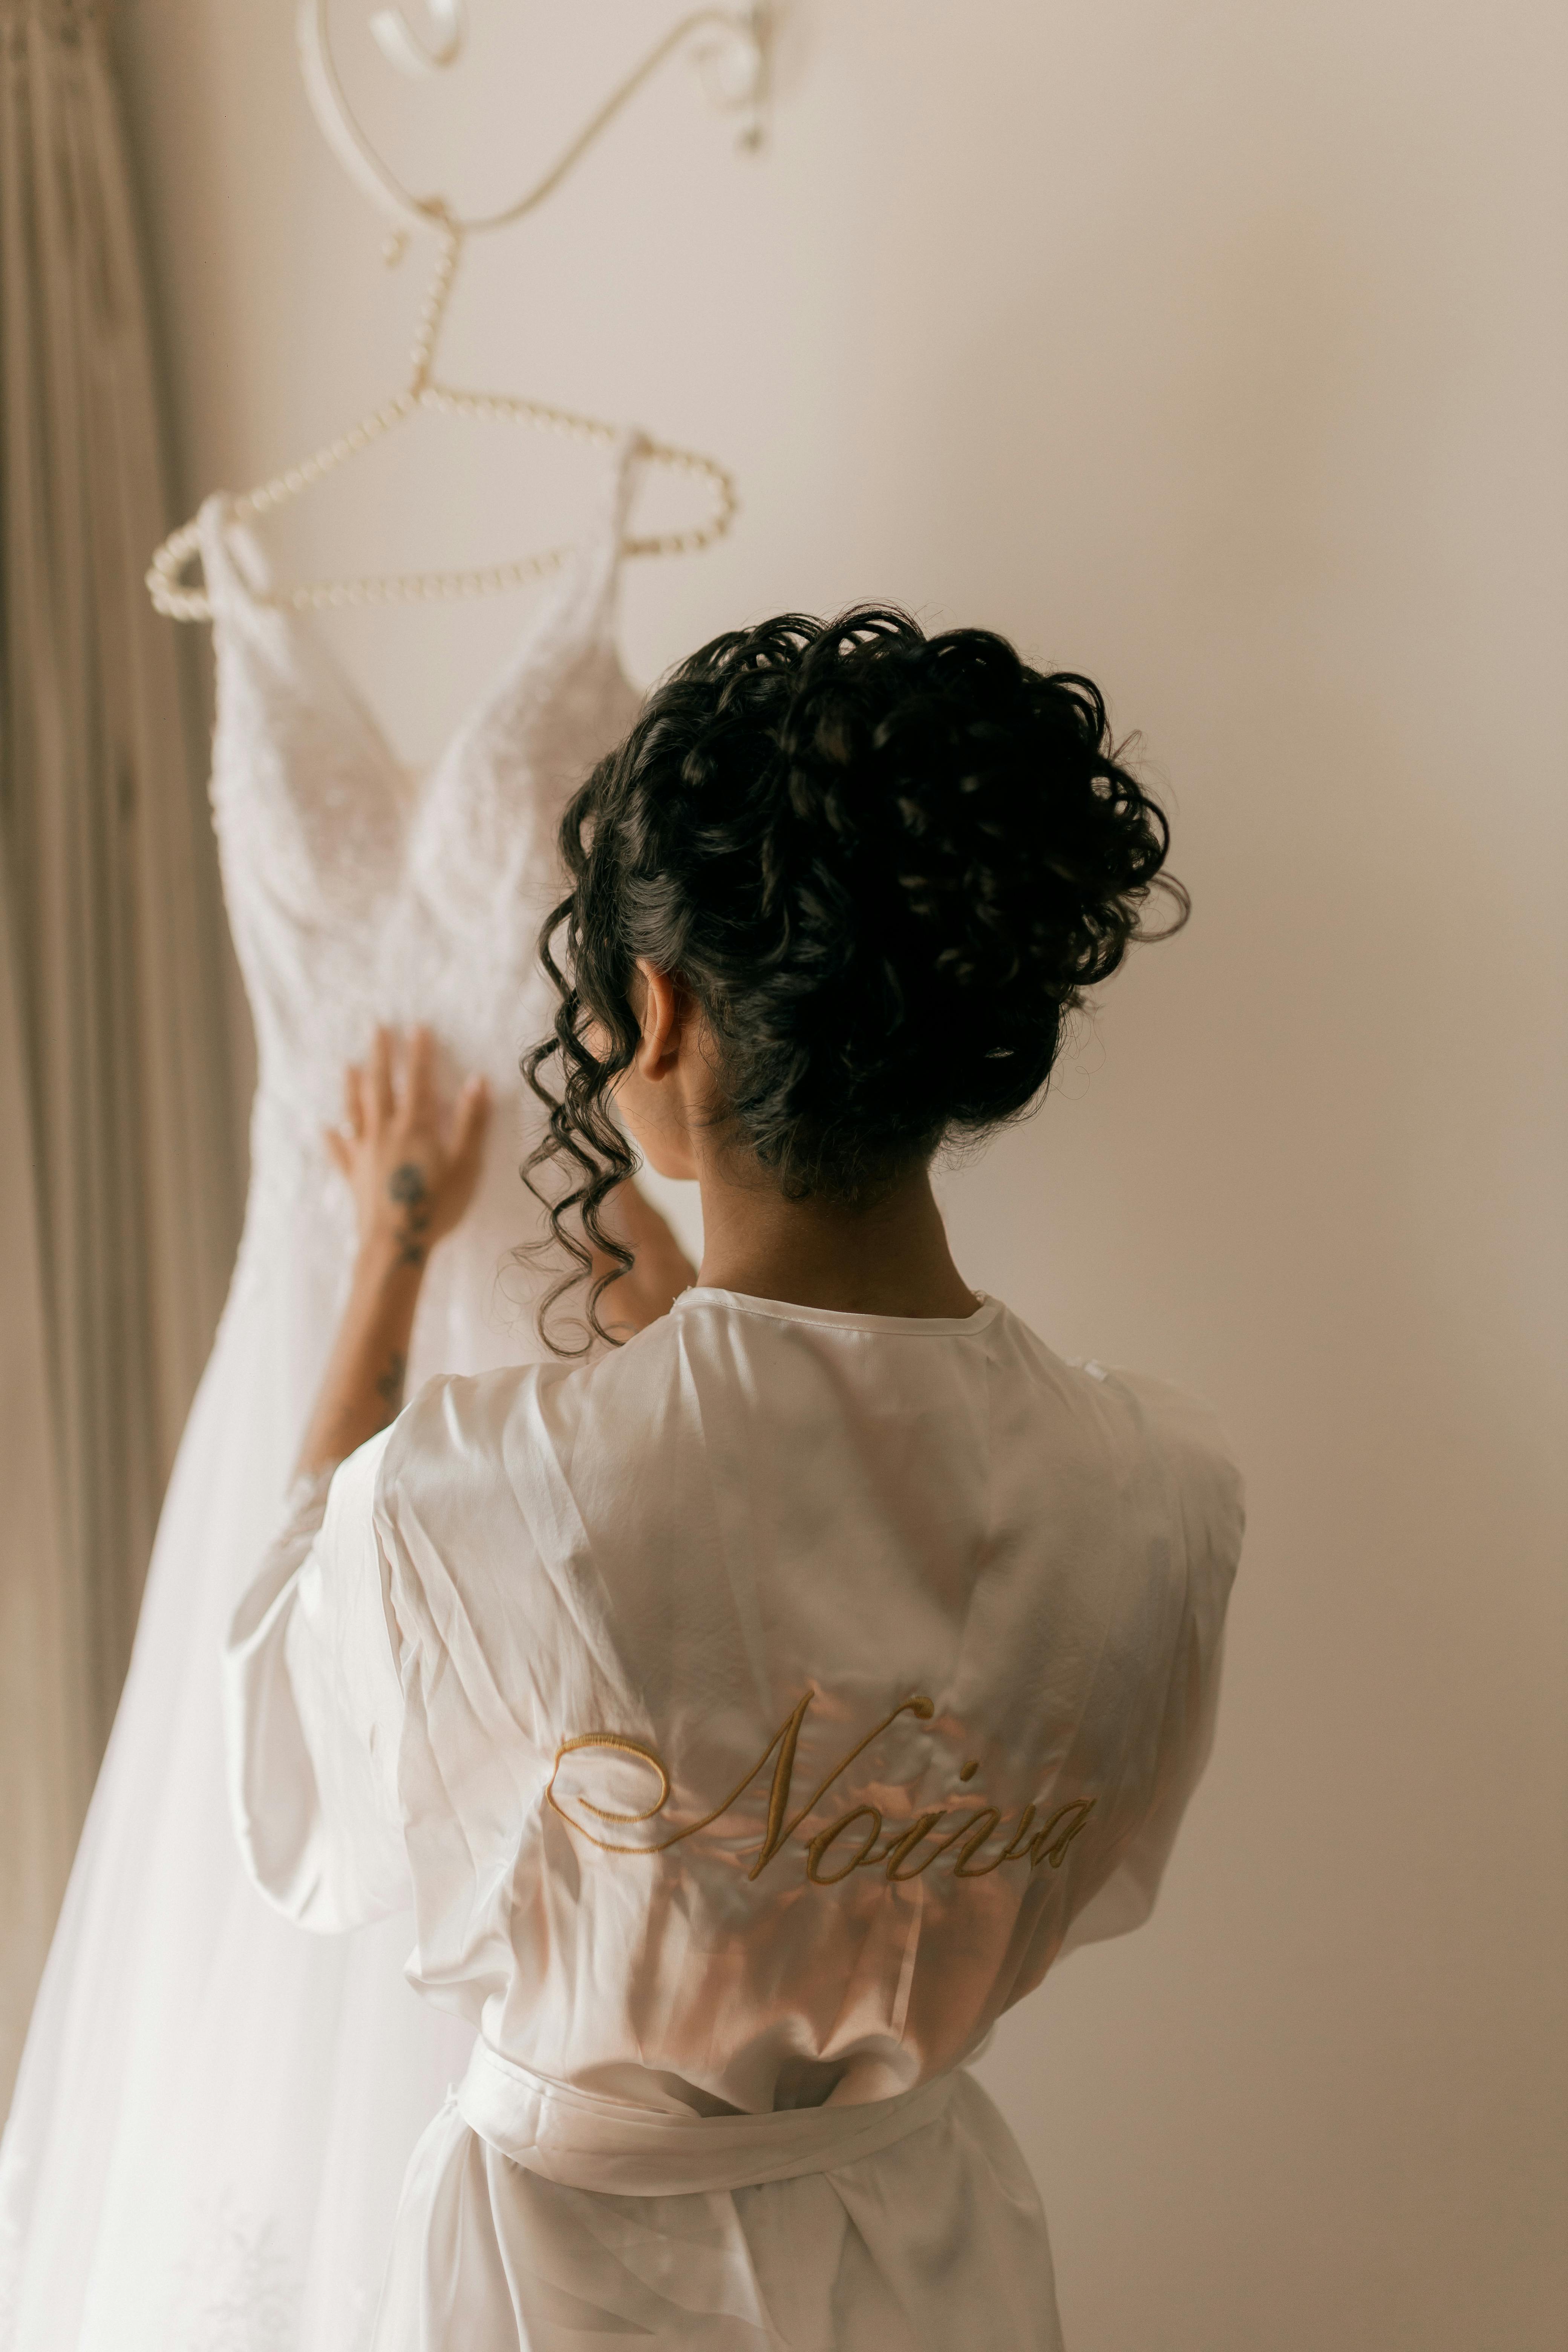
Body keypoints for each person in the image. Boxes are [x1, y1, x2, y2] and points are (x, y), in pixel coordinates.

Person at [225, 609, 1244, 2350]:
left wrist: (394, 1241)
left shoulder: (485, 1497)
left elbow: (297, 1796)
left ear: (661, 1009)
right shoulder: (1162, 1495)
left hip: (566, 2288)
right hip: (941, 2263)